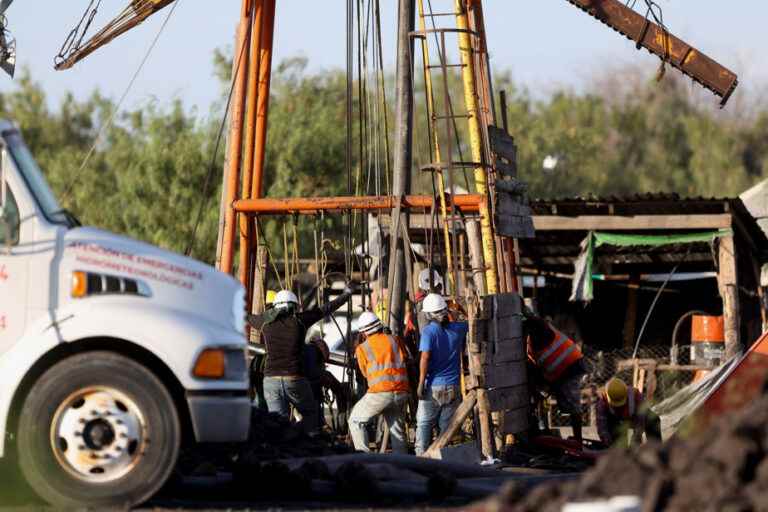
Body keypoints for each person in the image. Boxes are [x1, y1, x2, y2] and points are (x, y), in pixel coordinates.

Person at [247, 287, 352, 433]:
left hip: (270, 381)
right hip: (294, 379)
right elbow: (326, 309)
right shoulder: (300, 321)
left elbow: (244, 316)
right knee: (311, 415)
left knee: (277, 423)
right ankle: (298, 434)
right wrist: (346, 295)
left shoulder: (264, 322)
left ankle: (284, 446)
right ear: (293, 306)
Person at [348, 311, 410, 453]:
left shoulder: (362, 348)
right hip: (401, 391)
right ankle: (403, 463)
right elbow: (404, 358)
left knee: (355, 421)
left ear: (363, 332)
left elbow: (364, 373)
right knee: (397, 430)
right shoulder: (395, 339)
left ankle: (365, 459)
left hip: (381, 392)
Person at [415, 294, 468, 456]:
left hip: (433, 386)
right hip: (453, 386)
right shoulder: (458, 329)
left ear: (429, 314)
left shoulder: (429, 332)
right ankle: (440, 457)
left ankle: (421, 458)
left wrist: (420, 383)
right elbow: (472, 320)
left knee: (424, 424)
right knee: (446, 428)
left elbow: (425, 357)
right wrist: (459, 308)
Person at [525, 314, 586, 446]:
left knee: (572, 405)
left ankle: (578, 441)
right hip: (556, 373)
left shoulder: (543, 332)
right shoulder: (532, 340)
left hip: (571, 367)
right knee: (539, 396)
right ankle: (538, 427)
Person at [597, 377, 660, 446]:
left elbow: (640, 421)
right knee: (618, 446)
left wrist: (635, 442)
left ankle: (656, 448)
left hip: (633, 418)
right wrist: (609, 444)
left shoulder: (636, 396)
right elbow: (602, 428)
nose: (619, 406)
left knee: (653, 419)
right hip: (616, 422)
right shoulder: (603, 402)